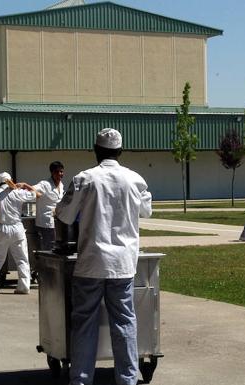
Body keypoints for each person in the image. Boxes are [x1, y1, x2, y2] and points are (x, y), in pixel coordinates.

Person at [56, 128, 152, 385]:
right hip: (122, 265)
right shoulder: (135, 180)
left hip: (91, 263)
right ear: (120, 152)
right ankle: (127, 380)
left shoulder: (84, 179)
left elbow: (63, 214)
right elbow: (147, 211)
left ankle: (81, 380)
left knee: (85, 323)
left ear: (96, 150)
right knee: (124, 323)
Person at [0, 172, 41, 295]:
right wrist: (25, 185)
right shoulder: (18, 193)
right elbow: (38, 195)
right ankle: (24, 287)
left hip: (2, 228)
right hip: (17, 228)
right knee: (22, 259)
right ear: (11, 180)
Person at [34, 161, 65, 250]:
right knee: (48, 249)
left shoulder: (61, 185)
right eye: (57, 172)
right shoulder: (45, 184)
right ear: (52, 173)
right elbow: (34, 189)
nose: (60, 174)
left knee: (56, 248)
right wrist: (24, 186)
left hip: (58, 222)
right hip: (46, 223)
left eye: (61, 171)